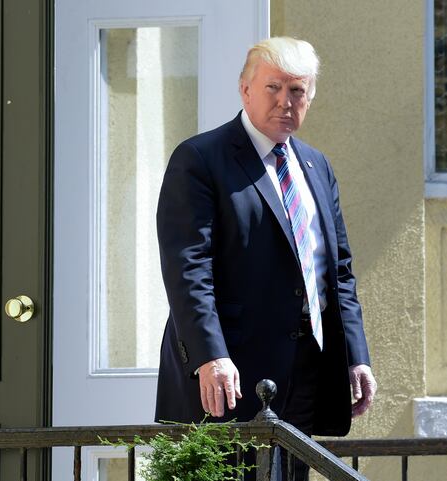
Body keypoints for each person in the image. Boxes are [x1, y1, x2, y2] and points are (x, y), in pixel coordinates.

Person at [154, 36, 377, 477]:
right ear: (245, 89)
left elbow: (339, 272)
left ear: (309, 97)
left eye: (297, 91)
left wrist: (355, 355)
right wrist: (209, 356)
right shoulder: (200, 159)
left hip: (306, 373)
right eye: (273, 88)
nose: (285, 102)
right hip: (229, 376)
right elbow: (188, 269)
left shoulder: (316, 166)